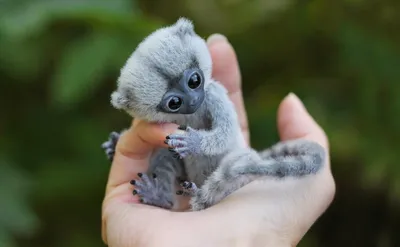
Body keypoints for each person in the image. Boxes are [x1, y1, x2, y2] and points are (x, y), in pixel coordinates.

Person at [101, 34, 335, 247]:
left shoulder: (213, 95)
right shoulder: (165, 121)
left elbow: (225, 134)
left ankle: (205, 195)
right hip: (191, 185)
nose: (192, 99)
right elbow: (158, 143)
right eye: (174, 101)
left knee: (191, 149)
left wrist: (197, 143)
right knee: (162, 149)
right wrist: (124, 143)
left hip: (230, 170)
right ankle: (163, 196)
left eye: (193, 81)